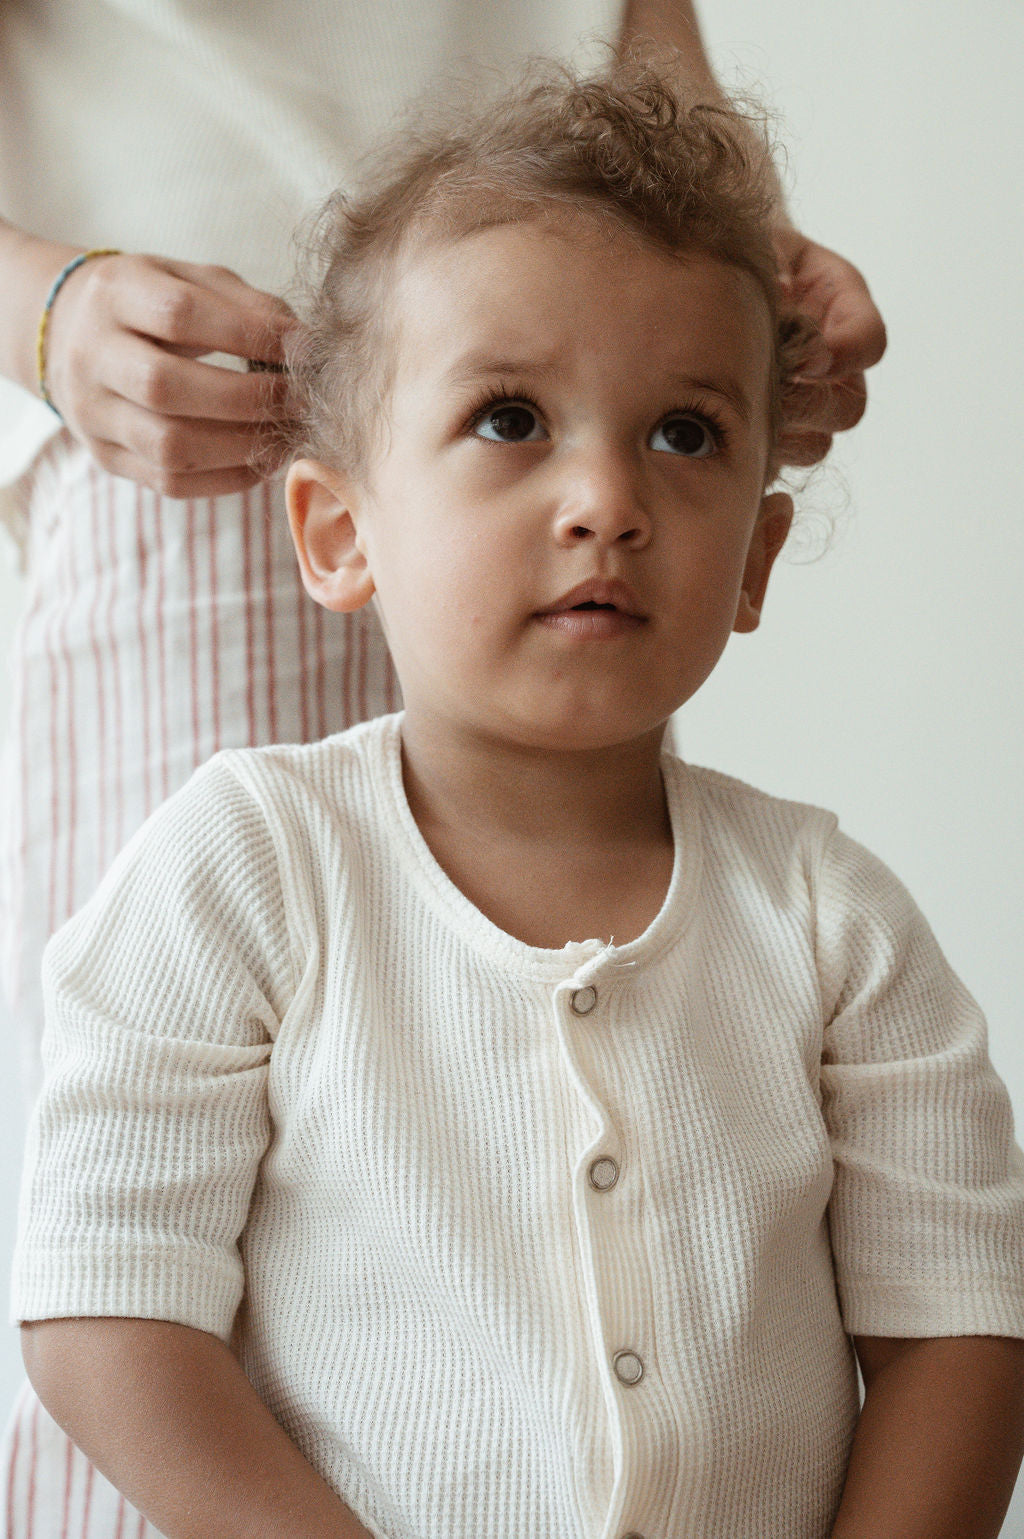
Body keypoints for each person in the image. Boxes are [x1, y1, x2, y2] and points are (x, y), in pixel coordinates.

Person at [11, 59, 1024, 1539]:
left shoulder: (835, 920)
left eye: (684, 434)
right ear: (340, 529)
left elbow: (960, 1328)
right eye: (508, 419)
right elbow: (104, 1305)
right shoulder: (240, 872)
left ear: (753, 561)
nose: (604, 497)